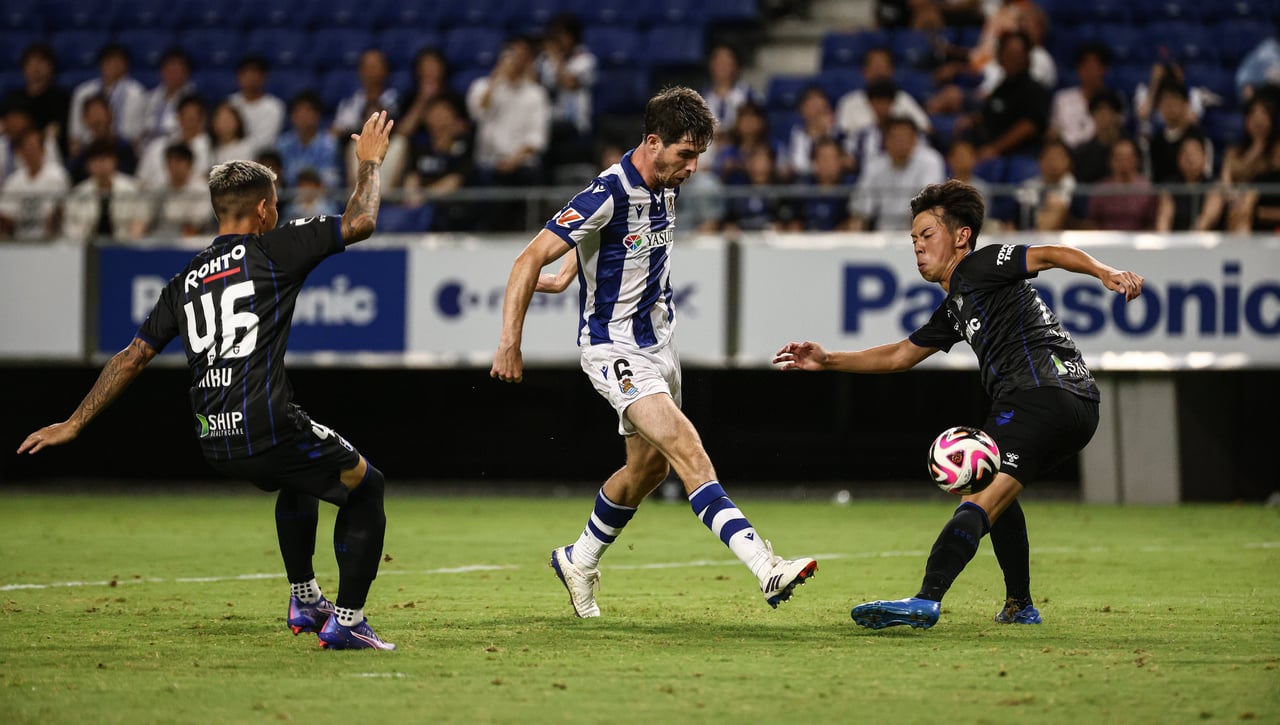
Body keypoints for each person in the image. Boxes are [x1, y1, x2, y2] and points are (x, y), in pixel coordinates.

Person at [19, 111, 399, 650]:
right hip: (267, 426)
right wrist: (370, 165)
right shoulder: (276, 248)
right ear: (265, 209)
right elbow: (360, 222)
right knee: (369, 487)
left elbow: (130, 357)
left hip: (214, 439)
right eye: (274, 201)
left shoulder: (185, 279)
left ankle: (304, 597)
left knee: (301, 478)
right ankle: (349, 621)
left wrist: (75, 422)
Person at [490, 87, 817, 618]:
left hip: (662, 345)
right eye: (685, 155)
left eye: (698, 157)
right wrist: (510, 341)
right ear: (652, 142)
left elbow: (609, 243)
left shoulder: (665, 185)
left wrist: (572, 270)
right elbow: (527, 258)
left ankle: (579, 558)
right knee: (686, 447)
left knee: (647, 472)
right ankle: (765, 565)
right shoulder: (607, 192)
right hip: (614, 348)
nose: (692, 168)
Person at [774, 179, 1144, 630]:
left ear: (962, 236)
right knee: (993, 490)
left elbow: (1049, 253)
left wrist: (1104, 272)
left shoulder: (982, 265)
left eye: (927, 235)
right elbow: (900, 355)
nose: (917, 246)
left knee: (978, 497)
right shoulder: (956, 306)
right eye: (913, 238)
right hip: (1075, 402)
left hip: (1039, 394)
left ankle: (927, 599)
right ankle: (1019, 605)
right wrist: (828, 360)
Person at [0, 127, 71, 240]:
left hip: (51, 240)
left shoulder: (56, 175)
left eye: (34, 147)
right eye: (26, 148)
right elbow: (6, 214)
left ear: (43, 150)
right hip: (19, 239)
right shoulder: (14, 180)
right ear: (20, 152)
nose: (30, 152)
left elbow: (57, 211)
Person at [229, 56, 286, 154]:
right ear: (239, 76)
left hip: (260, 161)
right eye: (247, 74)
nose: (251, 78)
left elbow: (265, 143)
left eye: (255, 74)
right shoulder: (229, 104)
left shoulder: (275, 107)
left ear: (264, 77)